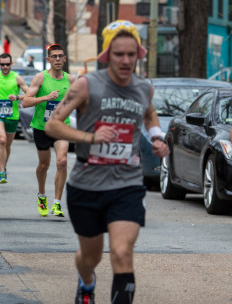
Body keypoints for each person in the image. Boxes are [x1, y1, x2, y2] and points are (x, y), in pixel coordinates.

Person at [45, 20, 169, 304]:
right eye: (118, 54)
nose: (126, 61)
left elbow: (149, 115)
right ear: (106, 55)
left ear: (138, 54)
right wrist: (89, 137)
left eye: (131, 54)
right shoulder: (87, 85)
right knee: (89, 257)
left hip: (126, 183)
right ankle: (87, 283)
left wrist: (157, 136)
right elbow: (53, 125)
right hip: (87, 185)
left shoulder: (143, 88)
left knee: (122, 253)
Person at [22, 43, 75, 217]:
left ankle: (57, 203)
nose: (58, 59)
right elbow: (26, 102)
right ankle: (42, 194)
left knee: (62, 161)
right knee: (44, 165)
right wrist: (46, 97)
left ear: (65, 59)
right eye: (54, 56)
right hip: (41, 127)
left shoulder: (71, 80)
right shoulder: (40, 78)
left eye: (61, 56)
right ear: (48, 59)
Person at [0, 53, 29, 184]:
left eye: (7, 64)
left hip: (12, 115)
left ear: (11, 64)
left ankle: (4, 166)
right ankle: (1, 171)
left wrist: (17, 97)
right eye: (2, 64)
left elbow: (30, 94)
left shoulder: (17, 78)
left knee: (7, 145)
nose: (5, 67)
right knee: (2, 140)